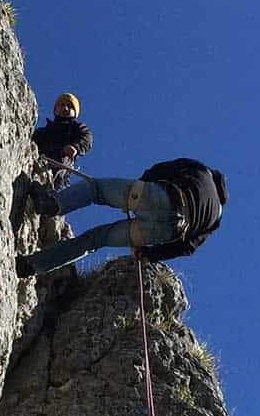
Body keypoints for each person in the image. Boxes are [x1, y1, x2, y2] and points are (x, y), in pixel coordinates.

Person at [15, 158, 226, 278]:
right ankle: (32, 266)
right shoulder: (215, 219)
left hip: (164, 197)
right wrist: (148, 253)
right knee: (94, 241)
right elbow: (187, 247)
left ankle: (52, 204)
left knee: (95, 190)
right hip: (169, 231)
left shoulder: (202, 170)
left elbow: (164, 168)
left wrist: (141, 185)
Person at [32, 93, 92, 186]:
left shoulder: (77, 128)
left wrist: (75, 148)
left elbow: (86, 139)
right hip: (41, 159)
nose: (65, 108)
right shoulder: (43, 131)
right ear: (55, 110)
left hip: (61, 163)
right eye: (62, 105)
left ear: (75, 113)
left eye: (70, 106)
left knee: (56, 184)